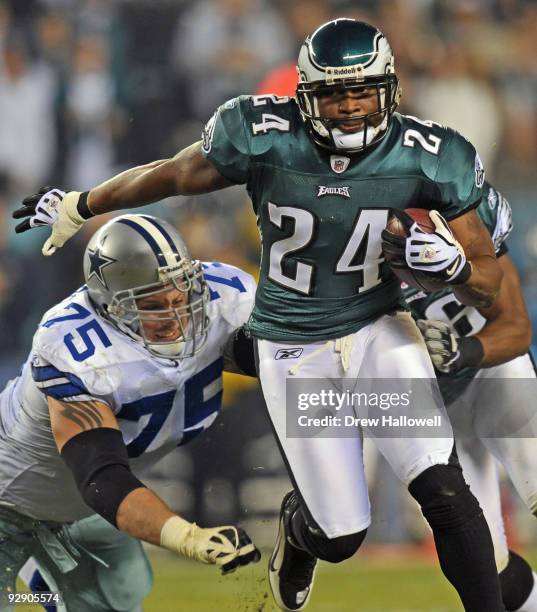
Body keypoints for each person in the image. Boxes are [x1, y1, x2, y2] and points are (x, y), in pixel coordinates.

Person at [13, 19, 507, 612]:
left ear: (390, 89)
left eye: (362, 92)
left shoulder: (433, 154)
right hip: (292, 344)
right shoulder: (263, 133)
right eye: (333, 94)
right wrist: (85, 201)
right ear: (306, 95)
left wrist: (454, 266)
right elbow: (172, 173)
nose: (349, 108)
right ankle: (301, 531)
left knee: (443, 489)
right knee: (342, 535)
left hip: (379, 326)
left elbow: (490, 283)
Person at [0, 213, 260, 611]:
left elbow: (290, 363)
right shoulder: (74, 348)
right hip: (12, 503)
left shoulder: (223, 297)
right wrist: (188, 538)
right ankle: (31, 579)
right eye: (153, 305)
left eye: (180, 297)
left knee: (119, 602)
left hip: (82, 512)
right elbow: (101, 476)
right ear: (110, 307)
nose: (174, 318)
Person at [405, 183, 537, 612]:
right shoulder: (363, 259)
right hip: (434, 411)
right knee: (490, 574)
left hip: (493, 374)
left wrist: (464, 351)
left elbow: (516, 329)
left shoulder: (474, 223)